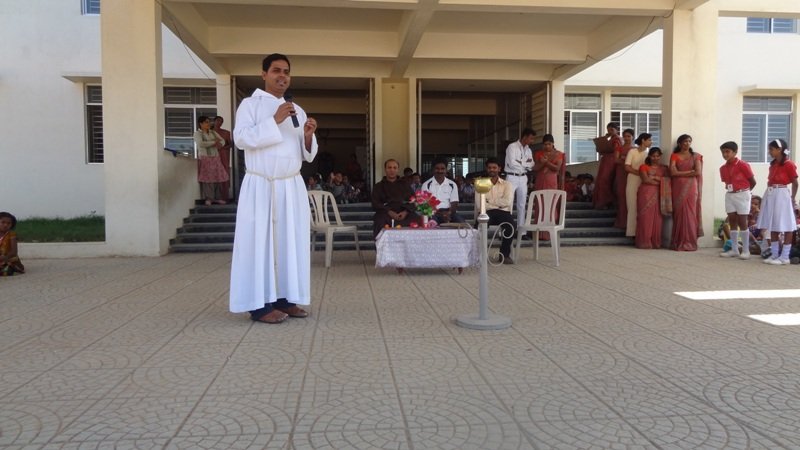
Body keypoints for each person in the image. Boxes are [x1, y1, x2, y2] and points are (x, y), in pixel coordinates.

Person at [229, 53, 319, 324]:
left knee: (290, 242)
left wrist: (307, 136)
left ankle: (285, 298)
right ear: (264, 74)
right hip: (262, 184)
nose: (282, 76)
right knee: (259, 243)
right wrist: (274, 120)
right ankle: (258, 305)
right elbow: (241, 139)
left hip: (290, 185)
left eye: (286, 71)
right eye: (276, 70)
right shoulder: (250, 104)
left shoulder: (297, 109)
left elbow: (306, 154)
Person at [758, 139, 798, 265]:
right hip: (772, 193)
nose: (769, 152)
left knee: (786, 224)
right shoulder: (773, 164)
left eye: (771, 149)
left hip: (782, 194)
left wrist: (792, 197)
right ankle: (775, 254)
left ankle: (785, 256)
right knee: (773, 224)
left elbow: (795, 182)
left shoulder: (789, 164)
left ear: (779, 149)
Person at [718, 141, 756, 259]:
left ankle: (746, 250)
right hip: (730, 195)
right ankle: (734, 249)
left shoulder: (743, 165)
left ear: (735, 152)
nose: (725, 154)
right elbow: (727, 183)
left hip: (742, 194)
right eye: (723, 152)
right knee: (732, 221)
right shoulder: (723, 168)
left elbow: (752, 181)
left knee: (742, 221)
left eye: (728, 152)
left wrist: (746, 193)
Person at [670, 134, 704, 251]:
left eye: (689, 141)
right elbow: (672, 172)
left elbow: (698, 172)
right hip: (678, 187)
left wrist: (680, 173)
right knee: (679, 212)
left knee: (691, 212)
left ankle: (690, 241)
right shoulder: (674, 156)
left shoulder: (696, 156)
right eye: (685, 141)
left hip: (691, 188)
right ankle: (678, 241)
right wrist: (690, 172)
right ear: (679, 144)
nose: (687, 143)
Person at [372, 159, 418, 237]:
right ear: (385, 169)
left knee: (416, 219)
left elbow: (413, 200)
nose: (392, 170)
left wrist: (406, 212)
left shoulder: (405, 185)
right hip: (385, 213)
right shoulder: (378, 186)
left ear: (398, 170)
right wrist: (389, 211)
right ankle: (382, 244)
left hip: (404, 213)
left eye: (394, 168)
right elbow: (375, 203)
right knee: (379, 220)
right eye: (389, 167)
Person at [635, 148, 670, 249]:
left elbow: (668, 181)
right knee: (645, 217)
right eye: (653, 156)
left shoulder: (664, 168)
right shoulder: (643, 167)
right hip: (645, 194)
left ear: (660, 156)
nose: (655, 158)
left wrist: (655, 178)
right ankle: (644, 242)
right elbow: (646, 180)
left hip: (659, 195)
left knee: (657, 218)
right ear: (649, 156)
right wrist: (661, 182)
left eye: (657, 156)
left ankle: (655, 242)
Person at [483, 157, 516, 264]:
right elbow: (480, 204)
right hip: (486, 213)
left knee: (511, 225)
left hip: (503, 213)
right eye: (489, 167)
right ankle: (479, 255)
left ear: (499, 169)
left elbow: (507, 202)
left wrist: (489, 201)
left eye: (494, 167)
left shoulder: (507, 184)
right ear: (486, 169)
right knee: (478, 226)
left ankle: (504, 255)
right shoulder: (481, 184)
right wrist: (498, 204)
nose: (492, 170)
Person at [532, 134, 565, 240]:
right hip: (540, 181)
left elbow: (557, 168)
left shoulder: (558, 154)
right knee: (539, 205)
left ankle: (548, 234)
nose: (547, 146)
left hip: (551, 182)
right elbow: (535, 168)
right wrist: (543, 163)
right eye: (545, 144)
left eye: (549, 144)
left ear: (553, 144)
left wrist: (546, 162)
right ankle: (539, 234)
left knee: (551, 205)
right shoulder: (538, 153)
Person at [504, 128, 536, 229]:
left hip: (523, 177)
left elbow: (532, 164)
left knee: (522, 205)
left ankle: (522, 231)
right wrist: (525, 164)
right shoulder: (512, 147)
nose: (532, 141)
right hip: (511, 176)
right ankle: (506, 230)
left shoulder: (528, 150)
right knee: (508, 203)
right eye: (531, 138)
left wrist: (520, 162)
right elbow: (512, 163)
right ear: (525, 137)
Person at [193, 116, 229, 206]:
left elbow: (222, 141)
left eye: (209, 122)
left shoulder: (213, 132)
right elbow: (201, 143)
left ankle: (217, 198)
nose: (208, 124)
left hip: (215, 157)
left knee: (217, 177)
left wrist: (218, 144)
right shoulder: (197, 134)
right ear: (201, 124)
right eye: (206, 122)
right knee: (208, 178)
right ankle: (209, 198)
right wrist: (214, 142)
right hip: (205, 157)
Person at [421, 159, 464, 224]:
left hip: (449, 212)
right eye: (437, 168)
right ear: (433, 169)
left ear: (446, 170)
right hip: (432, 213)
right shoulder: (426, 185)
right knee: (431, 225)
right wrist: (439, 214)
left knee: (462, 224)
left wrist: (448, 213)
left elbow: (454, 202)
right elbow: (425, 204)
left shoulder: (452, 184)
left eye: (442, 169)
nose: (440, 171)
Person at [625, 133, 651, 237]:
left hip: (644, 182)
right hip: (633, 179)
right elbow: (627, 167)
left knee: (642, 206)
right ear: (643, 140)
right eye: (649, 140)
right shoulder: (632, 151)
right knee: (632, 205)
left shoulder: (648, 154)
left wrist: (644, 176)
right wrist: (640, 173)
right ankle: (632, 233)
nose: (651, 142)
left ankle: (642, 232)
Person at [593, 122, 623, 210]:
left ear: (617, 130)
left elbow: (616, 150)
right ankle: (603, 202)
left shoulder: (617, 139)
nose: (610, 131)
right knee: (601, 180)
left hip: (611, 160)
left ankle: (606, 201)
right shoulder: (610, 139)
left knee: (605, 180)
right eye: (608, 130)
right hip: (606, 160)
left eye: (612, 130)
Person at [614, 128, 636, 229]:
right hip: (621, 173)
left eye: (629, 136)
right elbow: (616, 160)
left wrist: (625, 160)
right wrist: (627, 161)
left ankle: (631, 224)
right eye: (625, 136)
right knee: (622, 197)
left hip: (632, 174)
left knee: (632, 198)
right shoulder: (619, 148)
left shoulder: (635, 149)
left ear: (633, 137)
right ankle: (622, 222)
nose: (626, 138)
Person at [213, 116, 233, 202]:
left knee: (224, 173)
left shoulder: (226, 133)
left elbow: (231, 144)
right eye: (218, 120)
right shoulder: (209, 132)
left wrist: (223, 148)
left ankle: (224, 197)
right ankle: (212, 197)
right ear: (214, 121)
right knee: (213, 174)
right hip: (212, 155)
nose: (219, 123)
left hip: (223, 155)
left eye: (221, 121)